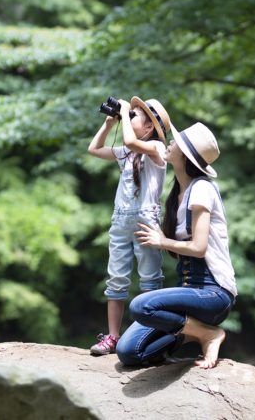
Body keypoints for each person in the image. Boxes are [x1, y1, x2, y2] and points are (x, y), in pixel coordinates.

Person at [115, 122, 237, 369]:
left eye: (176, 142)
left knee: (141, 305)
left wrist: (162, 241)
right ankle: (190, 332)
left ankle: (209, 333)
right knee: (129, 352)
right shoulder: (177, 193)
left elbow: (199, 248)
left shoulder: (202, 188)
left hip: (213, 293)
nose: (170, 142)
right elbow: (176, 249)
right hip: (189, 292)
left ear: (186, 155)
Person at [87, 96, 172, 356]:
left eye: (135, 116)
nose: (130, 117)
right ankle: (113, 336)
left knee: (149, 278)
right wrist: (109, 124)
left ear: (149, 128)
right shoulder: (127, 152)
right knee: (116, 278)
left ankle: (149, 333)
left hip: (145, 220)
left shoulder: (158, 148)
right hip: (121, 220)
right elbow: (94, 149)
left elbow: (130, 140)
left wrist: (124, 114)